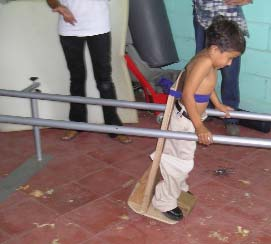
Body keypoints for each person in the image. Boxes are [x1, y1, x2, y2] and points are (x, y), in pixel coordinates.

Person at [152, 16, 246, 221]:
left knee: (184, 158)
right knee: (178, 162)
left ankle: (179, 188)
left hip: (190, 118)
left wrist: (218, 104)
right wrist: (199, 126)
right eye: (229, 58)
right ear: (215, 49)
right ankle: (164, 201)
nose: (229, 64)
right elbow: (187, 94)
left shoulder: (208, 58)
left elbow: (207, 86)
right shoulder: (204, 62)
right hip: (186, 120)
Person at [46, 0, 132, 144]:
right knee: (77, 78)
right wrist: (57, 6)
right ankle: (77, 123)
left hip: (98, 27)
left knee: (104, 80)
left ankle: (114, 127)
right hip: (69, 28)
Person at [193, 0, 252, 136]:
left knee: (230, 75)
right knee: (202, 71)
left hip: (229, 18)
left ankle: (230, 118)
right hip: (204, 18)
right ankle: (202, 111)